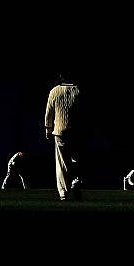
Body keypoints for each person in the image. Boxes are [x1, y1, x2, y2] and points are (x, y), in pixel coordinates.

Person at [45, 72, 82, 201]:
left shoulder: (54, 91)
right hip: (76, 131)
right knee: (76, 160)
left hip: (59, 131)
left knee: (61, 163)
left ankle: (63, 192)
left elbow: (49, 112)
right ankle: (76, 182)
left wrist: (48, 129)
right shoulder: (78, 91)